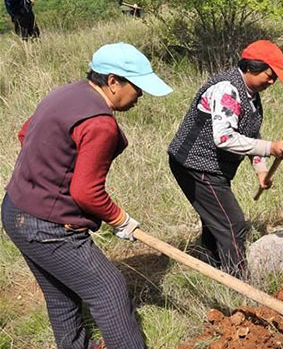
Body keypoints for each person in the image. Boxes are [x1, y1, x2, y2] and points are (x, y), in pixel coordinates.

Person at [2, 43, 172, 349]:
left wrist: (46, 179)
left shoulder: (66, 93)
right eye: (137, 87)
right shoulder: (100, 124)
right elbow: (86, 192)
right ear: (113, 82)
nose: (141, 96)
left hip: (16, 211)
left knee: (61, 297)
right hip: (47, 229)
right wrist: (121, 220)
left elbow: (26, 134)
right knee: (110, 290)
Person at [168, 40, 283, 278]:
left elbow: (250, 133)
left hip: (211, 166)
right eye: (269, 75)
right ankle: (238, 282)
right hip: (194, 164)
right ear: (252, 67)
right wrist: (270, 148)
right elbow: (224, 138)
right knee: (232, 224)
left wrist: (261, 171)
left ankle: (211, 269)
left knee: (215, 219)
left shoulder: (251, 94)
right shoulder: (228, 89)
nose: (272, 81)